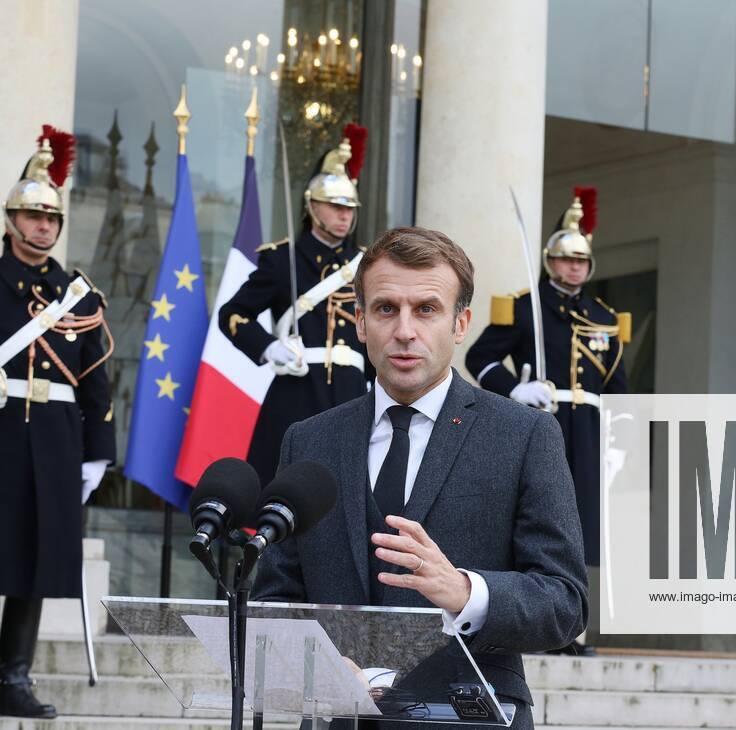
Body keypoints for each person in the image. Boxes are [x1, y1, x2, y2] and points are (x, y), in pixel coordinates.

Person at [252, 227, 588, 729]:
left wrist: (466, 591)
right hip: (336, 719)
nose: (405, 330)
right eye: (386, 309)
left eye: (426, 309)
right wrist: (313, 664)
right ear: (360, 322)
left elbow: (564, 603)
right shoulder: (308, 440)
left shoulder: (526, 435)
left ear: (461, 323)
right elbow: (275, 599)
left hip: (471, 718)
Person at [465, 187, 629, 655]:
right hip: (544, 430)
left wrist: (619, 446)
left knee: (579, 534)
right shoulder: (524, 307)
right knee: (542, 526)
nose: (573, 267)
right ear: (551, 261)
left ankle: (573, 630)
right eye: (565, 259)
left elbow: (619, 389)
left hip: (590, 437)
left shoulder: (604, 318)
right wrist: (514, 389)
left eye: (581, 260)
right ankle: (536, 627)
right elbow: (481, 357)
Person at [0, 127, 115, 718]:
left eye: (51, 219)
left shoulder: (76, 293)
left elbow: (96, 380)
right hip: (2, 432)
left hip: (52, 438)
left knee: (32, 556)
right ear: (12, 219)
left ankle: (13, 676)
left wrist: (98, 452)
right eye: (32, 216)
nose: (43, 227)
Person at [219, 124, 373, 482]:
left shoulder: (368, 265)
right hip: (298, 389)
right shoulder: (282, 259)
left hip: (353, 392)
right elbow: (233, 315)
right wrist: (269, 347)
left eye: (350, 207)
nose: (344, 215)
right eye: (335, 206)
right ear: (312, 206)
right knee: (284, 484)